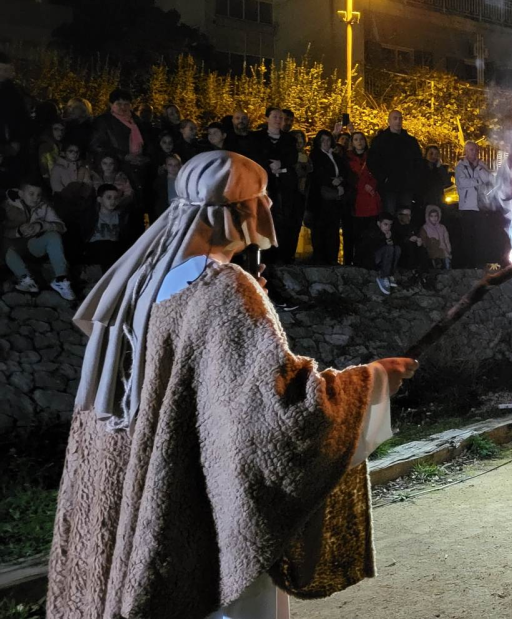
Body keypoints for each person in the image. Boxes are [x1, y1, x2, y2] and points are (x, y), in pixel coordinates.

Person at [46, 150, 418, 619]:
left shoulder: (143, 278)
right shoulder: (223, 287)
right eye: (259, 205)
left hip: (155, 487)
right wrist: (374, 381)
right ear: (239, 213)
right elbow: (281, 414)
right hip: (206, 500)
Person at [5, 178, 75, 300]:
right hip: (13, 248)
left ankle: (61, 279)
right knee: (5, 246)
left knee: (53, 236)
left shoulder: (44, 207)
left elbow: (61, 227)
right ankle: (26, 279)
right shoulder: (8, 206)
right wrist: (18, 231)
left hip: (33, 245)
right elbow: (2, 230)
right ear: (21, 194)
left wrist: (41, 226)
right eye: (31, 194)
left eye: (38, 195)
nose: (35, 198)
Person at [248, 108, 301, 264]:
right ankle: (264, 255)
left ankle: (281, 255)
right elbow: (254, 156)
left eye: (281, 117)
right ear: (267, 118)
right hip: (264, 184)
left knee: (283, 218)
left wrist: (281, 164)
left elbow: (292, 157)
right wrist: (269, 165)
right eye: (275, 116)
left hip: (284, 185)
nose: (278, 119)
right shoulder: (256, 137)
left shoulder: (289, 139)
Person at [307, 130, 349, 265]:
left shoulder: (335, 156)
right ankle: (319, 257)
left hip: (334, 198)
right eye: (323, 140)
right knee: (320, 229)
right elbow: (317, 175)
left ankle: (332, 258)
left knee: (333, 228)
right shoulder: (315, 155)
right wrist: (331, 182)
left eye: (328, 140)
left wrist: (340, 182)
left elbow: (344, 172)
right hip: (320, 199)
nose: (326, 142)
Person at [369, 110, 423, 215]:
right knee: (389, 214)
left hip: (406, 185)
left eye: (400, 118)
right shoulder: (380, 141)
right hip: (389, 186)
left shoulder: (410, 141)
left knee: (405, 215)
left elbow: (418, 161)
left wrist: (413, 178)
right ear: (389, 121)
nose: (398, 121)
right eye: (395, 118)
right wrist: (383, 178)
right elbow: (373, 162)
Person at [80, 184, 138, 271]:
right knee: (105, 247)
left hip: (114, 248)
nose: (113, 201)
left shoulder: (121, 216)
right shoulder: (91, 216)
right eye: (109, 198)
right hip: (95, 248)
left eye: (115, 198)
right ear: (99, 199)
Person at [454, 140, 492, 267]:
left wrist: (479, 169)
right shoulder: (460, 166)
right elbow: (462, 183)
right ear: (465, 151)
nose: (474, 152)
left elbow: (488, 179)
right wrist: (478, 180)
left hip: (480, 207)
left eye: (475, 150)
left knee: (480, 237)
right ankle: (468, 264)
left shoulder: (482, 165)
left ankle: (480, 263)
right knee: (468, 237)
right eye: (471, 150)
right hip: (466, 207)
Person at [345, 132, 380, 267]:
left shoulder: (372, 157)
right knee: (356, 233)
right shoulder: (347, 158)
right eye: (356, 139)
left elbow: (378, 173)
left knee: (369, 232)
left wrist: (371, 185)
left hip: (369, 198)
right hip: (356, 199)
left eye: (361, 139)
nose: (359, 142)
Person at [361, 212, 401, 295]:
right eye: (385, 224)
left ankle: (390, 275)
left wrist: (390, 240)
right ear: (379, 223)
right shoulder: (372, 231)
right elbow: (371, 247)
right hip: (371, 260)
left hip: (383, 260)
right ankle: (384, 277)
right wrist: (384, 238)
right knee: (389, 248)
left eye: (390, 225)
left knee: (397, 248)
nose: (388, 227)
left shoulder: (390, 232)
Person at [419, 205, 452, 270]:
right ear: (428, 217)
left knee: (447, 270)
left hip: (444, 254)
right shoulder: (425, 228)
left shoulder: (442, 227)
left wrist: (449, 251)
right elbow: (424, 243)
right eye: (431, 216)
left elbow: (446, 240)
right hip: (433, 255)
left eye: (436, 216)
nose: (434, 218)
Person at [151, 154, 183, 219]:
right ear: (165, 166)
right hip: (165, 213)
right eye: (170, 165)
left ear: (180, 166)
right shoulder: (159, 181)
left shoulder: (184, 180)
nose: (173, 167)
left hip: (181, 212)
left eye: (176, 165)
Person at [421, 144, 451, 211]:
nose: (433, 156)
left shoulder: (440, 168)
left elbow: (446, 182)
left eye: (436, 154)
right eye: (431, 153)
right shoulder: (421, 167)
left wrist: (440, 168)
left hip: (438, 200)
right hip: (424, 200)